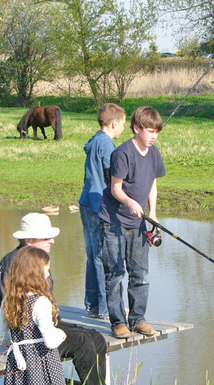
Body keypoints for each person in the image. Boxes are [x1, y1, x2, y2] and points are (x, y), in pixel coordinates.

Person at [0, 212, 117, 385]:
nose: (52, 240)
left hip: (46, 322)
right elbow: (12, 312)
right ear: (29, 240)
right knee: (80, 342)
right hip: (32, 336)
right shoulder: (13, 264)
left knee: (96, 338)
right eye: (46, 237)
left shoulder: (37, 260)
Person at [99, 106, 166, 339]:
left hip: (138, 223)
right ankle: (118, 322)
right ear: (136, 128)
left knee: (140, 274)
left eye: (157, 132)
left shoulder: (154, 152)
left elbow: (152, 185)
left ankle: (137, 320)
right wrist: (129, 202)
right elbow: (116, 189)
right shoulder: (122, 153)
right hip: (113, 222)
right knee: (115, 273)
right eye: (149, 131)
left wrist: (153, 212)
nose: (154, 136)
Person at [0, 246, 73, 385]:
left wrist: (16, 343)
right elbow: (50, 341)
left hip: (17, 364)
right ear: (34, 273)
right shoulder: (40, 302)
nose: (47, 275)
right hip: (41, 365)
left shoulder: (8, 300)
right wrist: (60, 334)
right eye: (46, 270)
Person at [79, 103, 127, 319]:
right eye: (123, 125)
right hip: (99, 205)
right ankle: (106, 308)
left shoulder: (94, 140)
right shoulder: (107, 145)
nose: (123, 129)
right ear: (114, 123)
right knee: (101, 256)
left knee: (92, 256)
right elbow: (112, 176)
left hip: (86, 202)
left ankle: (94, 305)